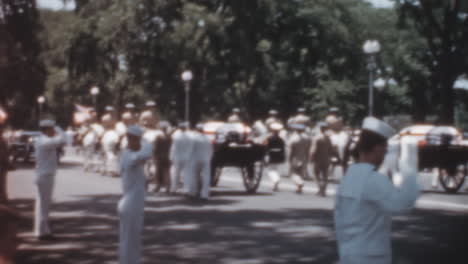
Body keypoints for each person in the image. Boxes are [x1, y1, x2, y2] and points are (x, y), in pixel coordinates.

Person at [334, 117, 420, 264]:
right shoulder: (373, 179)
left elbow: (338, 218)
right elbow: (403, 204)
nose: (385, 152)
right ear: (376, 148)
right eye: (385, 149)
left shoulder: (348, 177)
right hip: (371, 256)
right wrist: (410, 167)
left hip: (348, 252)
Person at [118, 125, 152, 264]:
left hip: (130, 202)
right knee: (130, 240)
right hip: (131, 204)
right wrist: (140, 139)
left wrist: (138, 138)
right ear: (131, 140)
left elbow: (145, 150)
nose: (140, 143)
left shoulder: (127, 153)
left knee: (130, 239)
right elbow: (147, 151)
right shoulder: (131, 156)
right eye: (137, 140)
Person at [34, 119, 66, 240]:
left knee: (43, 205)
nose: (54, 131)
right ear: (47, 129)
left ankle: (43, 230)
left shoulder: (44, 140)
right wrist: (59, 129)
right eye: (52, 129)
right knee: (43, 205)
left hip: (44, 175)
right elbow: (64, 139)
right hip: (45, 176)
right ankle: (41, 232)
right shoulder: (45, 141)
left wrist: (56, 129)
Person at [186, 124, 213, 200]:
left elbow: (190, 150)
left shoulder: (193, 138)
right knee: (206, 177)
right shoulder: (207, 139)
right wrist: (209, 158)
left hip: (195, 159)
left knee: (194, 176)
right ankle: (205, 194)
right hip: (206, 159)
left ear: (197, 129)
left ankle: (193, 192)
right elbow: (211, 150)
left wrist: (189, 159)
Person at [310, 122, 335, 196]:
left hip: (318, 159)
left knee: (316, 174)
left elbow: (313, 150)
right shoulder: (328, 138)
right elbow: (331, 149)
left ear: (319, 128)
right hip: (326, 159)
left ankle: (320, 188)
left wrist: (311, 158)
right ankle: (324, 189)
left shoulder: (317, 138)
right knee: (325, 175)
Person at [169, 122, 193, 194]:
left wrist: (171, 156)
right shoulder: (189, 136)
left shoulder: (175, 135)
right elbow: (191, 148)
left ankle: (174, 188)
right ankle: (187, 189)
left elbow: (173, 147)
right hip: (186, 157)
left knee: (175, 173)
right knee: (186, 174)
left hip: (177, 156)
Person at [287, 123, 311, 193]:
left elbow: (290, 150)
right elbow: (308, 149)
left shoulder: (293, 138)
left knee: (293, 174)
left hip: (295, 158)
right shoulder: (307, 138)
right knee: (301, 173)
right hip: (303, 157)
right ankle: (299, 188)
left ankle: (299, 182)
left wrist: (289, 158)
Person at [265, 122, 286, 191]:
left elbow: (266, 147)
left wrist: (266, 156)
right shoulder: (281, 139)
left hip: (271, 155)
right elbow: (283, 149)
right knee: (276, 169)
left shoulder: (269, 139)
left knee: (271, 170)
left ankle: (275, 180)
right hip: (279, 155)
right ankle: (275, 183)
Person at [153, 121, 172, 193]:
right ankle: (168, 187)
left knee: (158, 172)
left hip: (159, 156)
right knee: (167, 172)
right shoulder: (169, 137)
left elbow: (155, 148)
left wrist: (154, 155)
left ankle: (158, 186)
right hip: (167, 156)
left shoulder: (158, 137)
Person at [0, 125, 9, 203]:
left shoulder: (3, 140)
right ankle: (3, 198)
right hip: (2, 163)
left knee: (2, 182)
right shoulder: (2, 141)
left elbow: (5, 152)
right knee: (1, 182)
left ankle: (3, 198)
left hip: (2, 164)